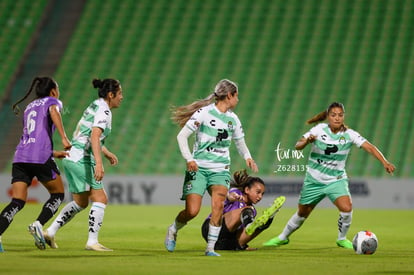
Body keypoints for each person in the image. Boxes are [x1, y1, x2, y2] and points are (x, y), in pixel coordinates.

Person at [263, 102, 396, 249]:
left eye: (340, 115)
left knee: (347, 208)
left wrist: (385, 162)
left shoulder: (349, 134)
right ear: (328, 117)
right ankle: (282, 238)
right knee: (302, 213)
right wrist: (307, 140)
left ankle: (341, 238)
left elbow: (369, 147)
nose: (337, 118)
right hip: (314, 179)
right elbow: (298, 145)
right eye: (333, 115)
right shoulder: (319, 129)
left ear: (343, 117)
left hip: (336, 180)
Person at [164, 79, 259, 256]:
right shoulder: (204, 113)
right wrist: (189, 159)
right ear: (229, 95)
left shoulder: (233, 119)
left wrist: (248, 157)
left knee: (218, 205)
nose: (238, 99)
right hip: (198, 168)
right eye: (236, 95)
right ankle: (173, 229)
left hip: (220, 170)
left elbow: (240, 142)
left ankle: (210, 248)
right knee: (192, 211)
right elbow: (182, 136)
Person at [44, 78, 123, 251]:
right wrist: (99, 164)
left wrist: (106, 152)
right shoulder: (104, 111)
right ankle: (92, 241)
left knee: (80, 202)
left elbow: (87, 135)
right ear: (111, 95)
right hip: (82, 158)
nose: (121, 97)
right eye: (120, 93)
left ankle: (50, 231)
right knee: (101, 198)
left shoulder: (95, 104)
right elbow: (94, 137)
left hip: (72, 157)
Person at [0, 76, 72, 252]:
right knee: (58, 194)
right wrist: (64, 138)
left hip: (21, 156)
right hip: (39, 157)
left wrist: (53, 153)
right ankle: (38, 224)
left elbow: (30, 136)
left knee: (17, 201)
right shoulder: (53, 101)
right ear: (53, 90)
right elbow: (54, 112)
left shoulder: (28, 108)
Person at [201, 170, 285, 251]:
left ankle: (268, 218)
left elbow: (240, 232)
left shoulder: (252, 211)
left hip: (223, 241)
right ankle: (249, 224)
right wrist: (232, 197)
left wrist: (244, 244)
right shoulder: (236, 193)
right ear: (247, 190)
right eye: (258, 192)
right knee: (247, 211)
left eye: (262, 194)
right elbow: (229, 195)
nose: (260, 197)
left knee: (261, 225)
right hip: (211, 227)